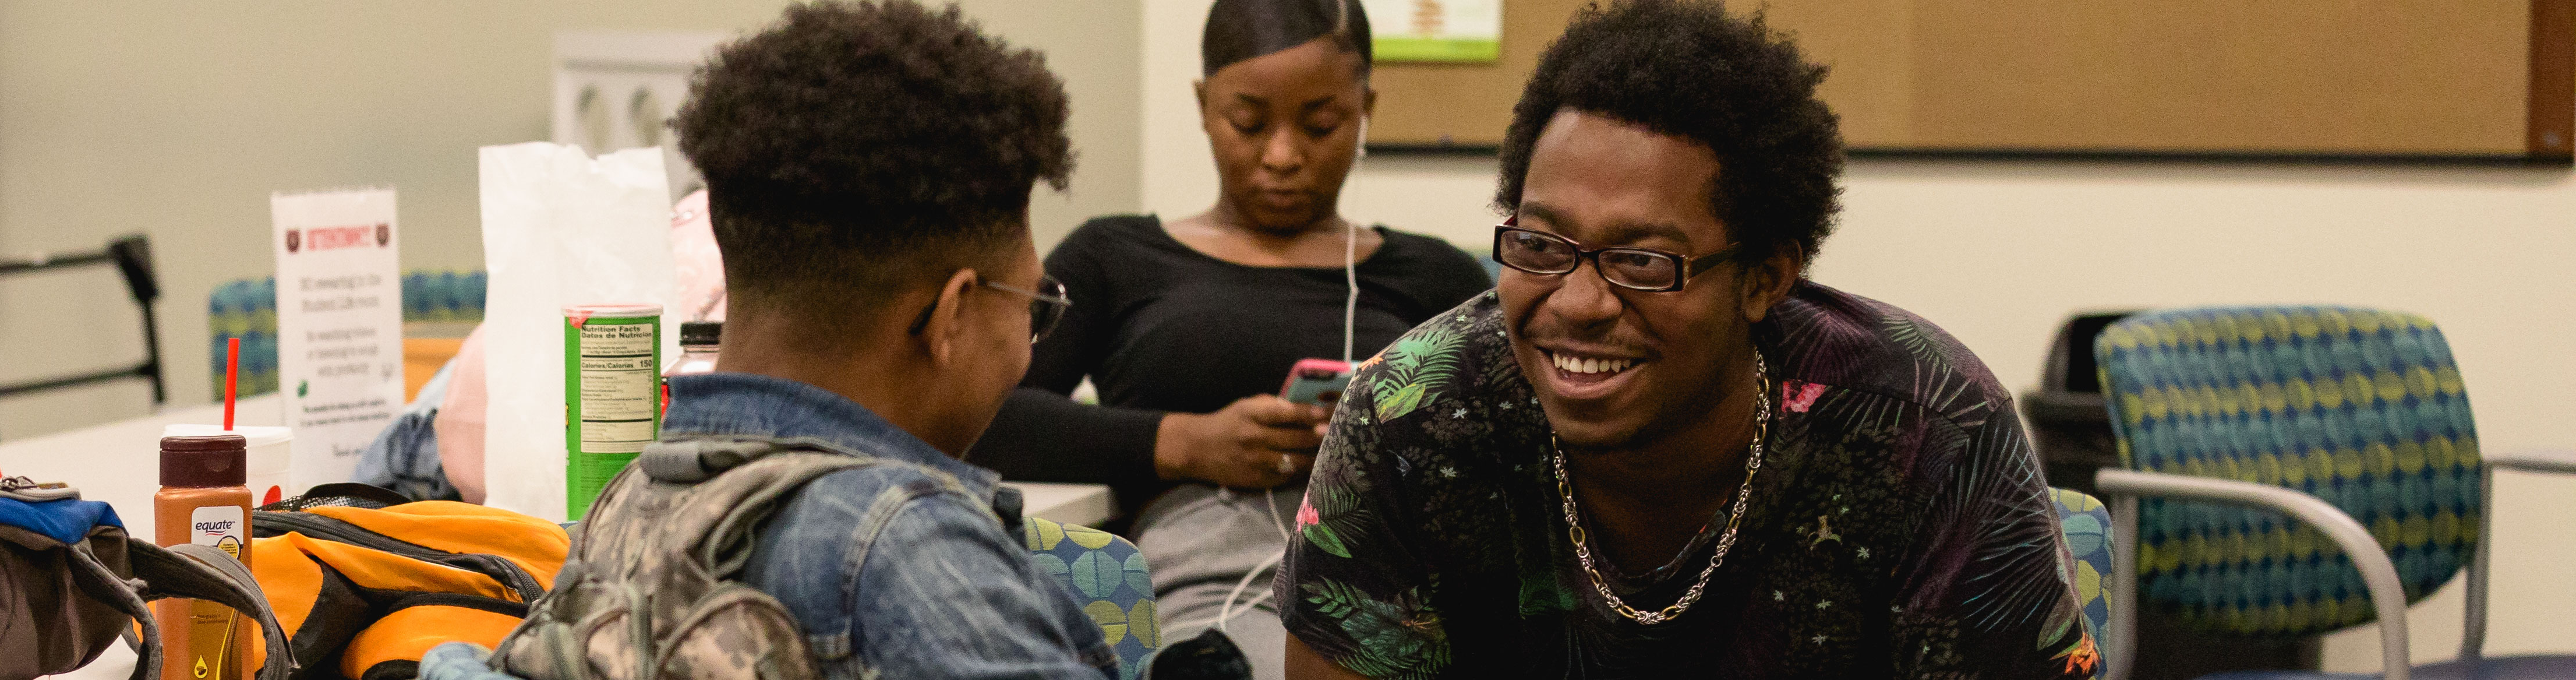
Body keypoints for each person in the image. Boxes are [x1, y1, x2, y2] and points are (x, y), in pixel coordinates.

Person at [1271, 2, 2093, 678]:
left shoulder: (1926, 432)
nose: (1580, 301)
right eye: (1542, 245)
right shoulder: (1411, 415)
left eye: (1642, 261)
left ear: (1765, 277)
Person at [446, 2, 1114, 677]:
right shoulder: (909, 552)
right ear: (951, 317)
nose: (1029, 344)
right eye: (1035, 307)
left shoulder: (621, 507)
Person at [959, 0, 1492, 659]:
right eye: (1248, 122)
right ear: (1203, 104)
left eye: (1321, 125)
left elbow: (1514, 448)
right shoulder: (1113, 256)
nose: (1282, 155)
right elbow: (979, 415)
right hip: (1205, 579)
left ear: (1366, 108)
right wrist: (1183, 443)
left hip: (1392, 579)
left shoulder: (1434, 276)